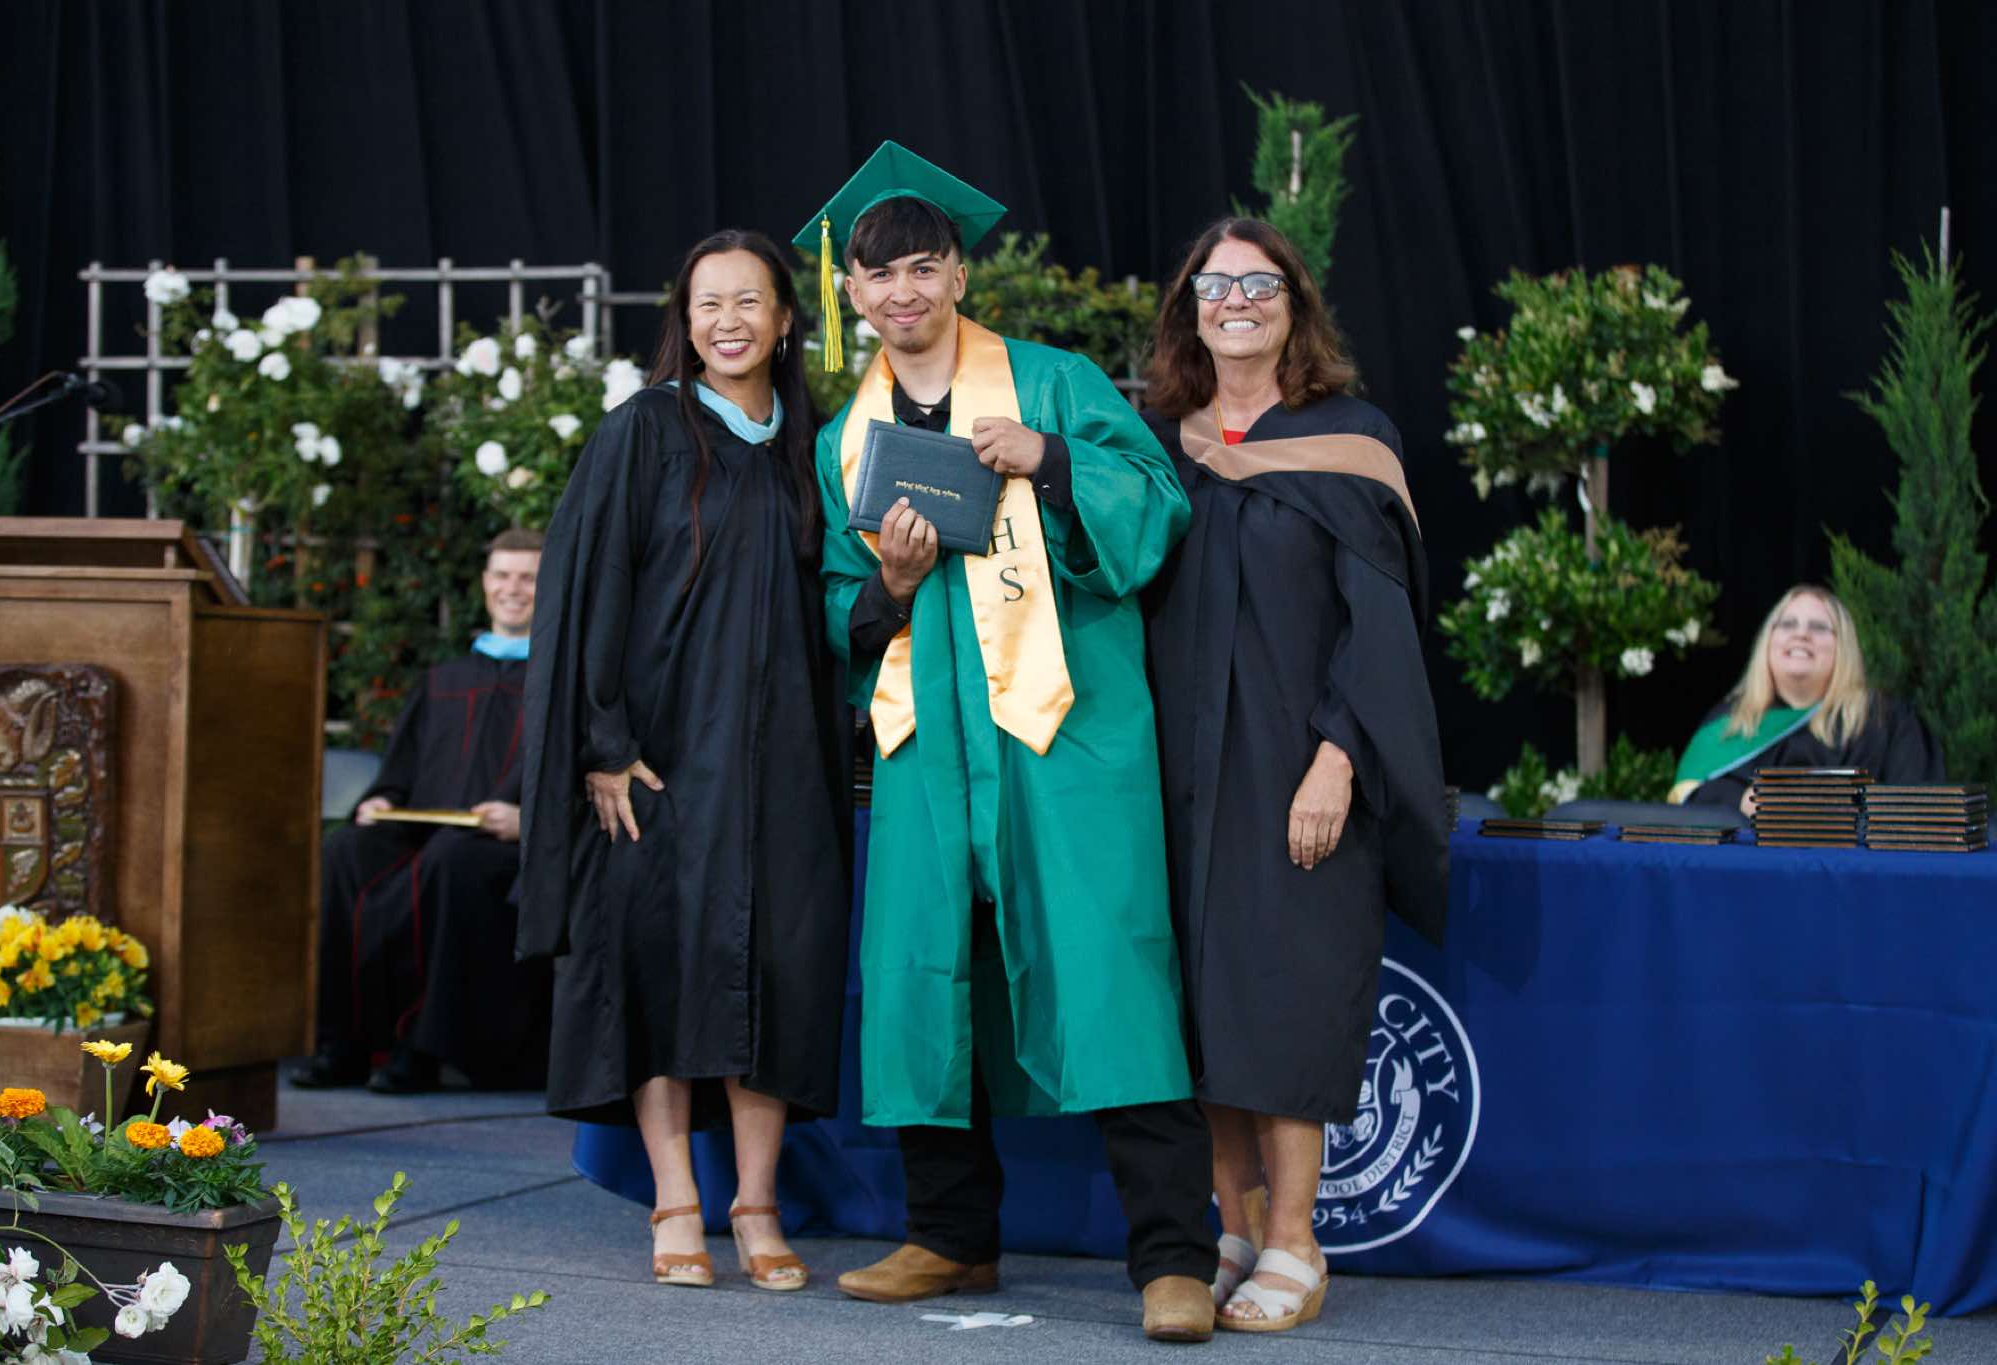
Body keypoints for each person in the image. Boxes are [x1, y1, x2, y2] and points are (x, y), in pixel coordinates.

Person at [798, 142, 1218, 1344]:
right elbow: (833, 603)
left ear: (959, 275)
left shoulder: (1052, 382)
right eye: (878, 275)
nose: (902, 292)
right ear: (851, 293)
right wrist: (885, 585)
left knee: (1108, 971)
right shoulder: (842, 441)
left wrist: (1056, 459)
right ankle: (948, 1237)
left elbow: (1158, 506)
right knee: (925, 977)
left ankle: (1171, 1258)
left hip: (1063, 737)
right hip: (928, 746)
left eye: (922, 267)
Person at [516, 229, 848, 1293]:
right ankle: (675, 1199)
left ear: (786, 319)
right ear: (684, 321)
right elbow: (589, 592)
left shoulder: (817, 447)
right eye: (708, 304)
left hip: (784, 764)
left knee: (777, 972)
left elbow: (838, 609)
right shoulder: (645, 430)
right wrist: (603, 745)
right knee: (657, 966)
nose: (728, 322)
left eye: (749, 302)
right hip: (661, 761)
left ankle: (756, 1203)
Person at [1141, 217, 1449, 1333]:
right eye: (1213, 285)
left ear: (1293, 303)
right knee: (1202, 1009)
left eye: (1257, 284)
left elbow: (1382, 626)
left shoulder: (1350, 441)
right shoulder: (1155, 443)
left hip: (1297, 768)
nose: (1235, 301)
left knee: (1283, 1003)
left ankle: (1296, 1241)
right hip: (1178, 776)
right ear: (1188, 309)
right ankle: (1232, 1227)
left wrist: (1338, 757)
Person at [291, 528, 552, 1095]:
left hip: (501, 847)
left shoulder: (560, 683)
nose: (513, 589)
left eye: (528, 578)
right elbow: (399, 772)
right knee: (346, 851)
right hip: (428, 836)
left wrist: (527, 823)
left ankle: (422, 1049)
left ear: (549, 585)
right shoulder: (443, 681)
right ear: (484, 583)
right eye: (502, 575)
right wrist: (380, 800)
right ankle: (344, 1042)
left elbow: (579, 778)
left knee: (451, 861)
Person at [1672, 583, 1944, 810]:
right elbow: (1691, 795)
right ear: (1768, 640)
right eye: (1787, 624)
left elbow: (1913, 812)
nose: (1801, 634)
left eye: (1819, 627)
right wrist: (1742, 800)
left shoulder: (1887, 720)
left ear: (1843, 646)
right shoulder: (1729, 723)